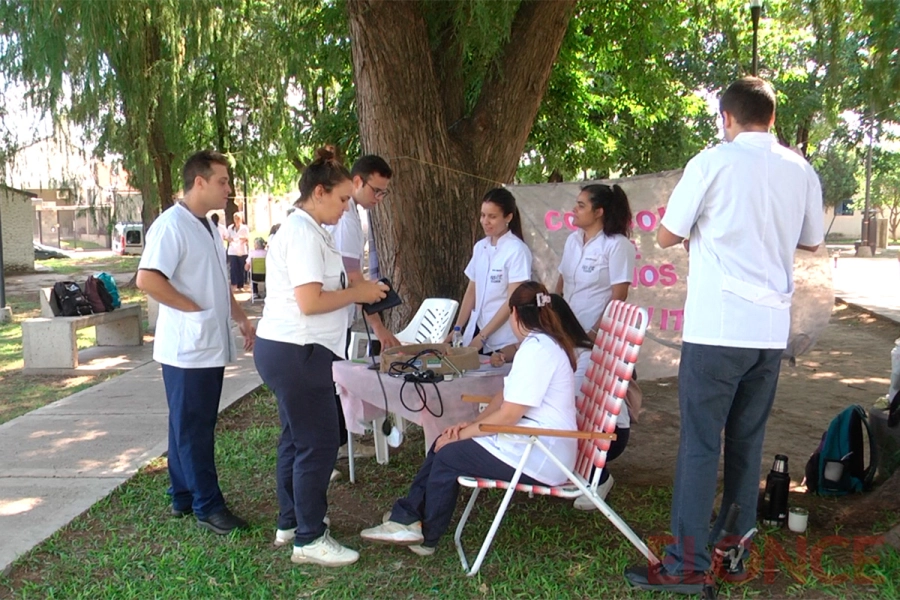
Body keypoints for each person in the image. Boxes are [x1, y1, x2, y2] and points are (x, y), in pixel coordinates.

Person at [624, 77, 824, 594]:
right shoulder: (800, 169)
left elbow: (666, 235)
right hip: (769, 331)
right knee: (746, 441)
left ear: (726, 119)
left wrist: (708, 233)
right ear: (772, 119)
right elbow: (812, 241)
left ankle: (685, 565)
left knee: (698, 443)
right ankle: (733, 550)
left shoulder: (712, 161)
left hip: (717, 328)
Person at [359, 281, 577, 555]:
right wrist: (466, 427)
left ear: (515, 314)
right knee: (444, 439)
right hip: (533, 443)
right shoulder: (537, 344)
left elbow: (509, 414)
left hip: (543, 454)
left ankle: (426, 535)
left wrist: (464, 434)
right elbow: (504, 396)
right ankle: (408, 517)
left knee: (450, 454)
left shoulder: (538, 350)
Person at [253, 146, 388, 567]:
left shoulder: (311, 230)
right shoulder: (302, 233)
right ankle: (309, 538)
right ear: (318, 191)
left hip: (293, 349)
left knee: (296, 439)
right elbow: (310, 302)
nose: (347, 206)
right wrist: (359, 293)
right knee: (318, 442)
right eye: (343, 198)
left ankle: (292, 522)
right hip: (299, 349)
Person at [136, 150, 256, 535]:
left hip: (204, 343)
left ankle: (183, 496)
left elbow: (217, 280)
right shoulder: (170, 226)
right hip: (187, 348)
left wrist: (240, 318)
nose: (229, 188)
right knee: (195, 427)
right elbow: (148, 280)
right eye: (222, 181)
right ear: (199, 182)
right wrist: (194, 311)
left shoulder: (205, 225)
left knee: (184, 424)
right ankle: (209, 506)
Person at [490, 294, 631, 506]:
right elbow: (517, 348)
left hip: (607, 432)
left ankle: (597, 477)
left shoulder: (581, 354)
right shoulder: (546, 344)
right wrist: (502, 353)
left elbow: (573, 404)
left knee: (536, 421)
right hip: (590, 425)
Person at [325, 155, 399, 353]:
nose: (379, 198)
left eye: (384, 193)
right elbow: (353, 277)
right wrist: (378, 326)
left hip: (337, 318)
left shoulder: (353, 215)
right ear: (357, 181)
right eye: (376, 191)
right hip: (328, 324)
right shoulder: (346, 218)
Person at [450, 188, 532, 353]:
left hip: (503, 339)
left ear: (508, 217)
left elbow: (512, 301)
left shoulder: (517, 250)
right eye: (483, 215)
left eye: (492, 217)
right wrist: (457, 329)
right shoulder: (481, 247)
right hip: (476, 330)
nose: (485, 221)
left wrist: (482, 337)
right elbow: (472, 290)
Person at [556, 183, 636, 339]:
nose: (574, 210)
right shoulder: (573, 239)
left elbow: (619, 296)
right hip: (566, 330)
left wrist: (594, 333)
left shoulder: (617, 244)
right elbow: (561, 281)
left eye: (581, 206)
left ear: (598, 212)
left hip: (595, 336)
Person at [226, 213, 250, 291]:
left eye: (238, 218)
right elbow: (227, 237)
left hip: (242, 250)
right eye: (235, 218)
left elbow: (247, 238)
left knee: (241, 268)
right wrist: (230, 239)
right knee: (233, 268)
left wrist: (241, 238)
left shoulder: (244, 228)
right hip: (233, 250)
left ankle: (240, 285)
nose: (237, 220)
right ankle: (234, 284)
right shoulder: (230, 228)